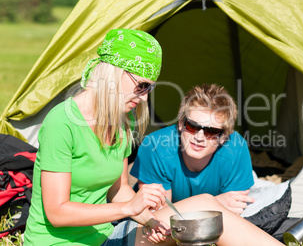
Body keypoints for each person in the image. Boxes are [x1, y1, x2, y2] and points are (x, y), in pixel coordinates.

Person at [24, 29, 284, 246]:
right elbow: (57, 212)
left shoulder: (123, 119)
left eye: (150, 88)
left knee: (207, 207)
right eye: (141, 86)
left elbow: (119, 189)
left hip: (103, 236)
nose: (145, 97)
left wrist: (150, 220)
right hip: (56, 242)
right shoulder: (63, 122)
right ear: (114, 73)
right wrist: (130, 209)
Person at [131, 84, 256, 215]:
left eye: (211, 131)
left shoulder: (237, 149)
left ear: (224, 137)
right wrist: (212, 204)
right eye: (192, 126)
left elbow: (234, 211)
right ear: (180, 123)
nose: (199, 137)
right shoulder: (155, 146)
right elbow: (159, 216)